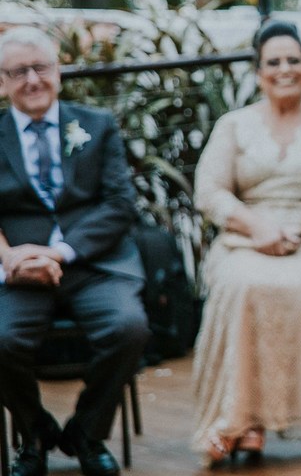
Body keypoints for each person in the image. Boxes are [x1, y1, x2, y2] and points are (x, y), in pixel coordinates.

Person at [190, 20, 301, 465]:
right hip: (247, 232)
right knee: (242, 287)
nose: (284, 69)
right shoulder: (233, 125)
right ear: (257, 72)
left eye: (294, 60)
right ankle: (241, 421)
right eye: (273, 62)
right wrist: (256, 228)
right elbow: (209, 190)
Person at [0, 26, 150, 476]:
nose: (32, 80)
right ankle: (34, 434)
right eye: (18, 72)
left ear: (59, 72)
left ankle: (87, 431)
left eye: (40, 67)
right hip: (18, 269)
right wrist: (10, 259)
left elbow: (120, 205)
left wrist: (60, 253)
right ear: (2, 82)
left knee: (129, 328)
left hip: (93, 263)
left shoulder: (97, 125)